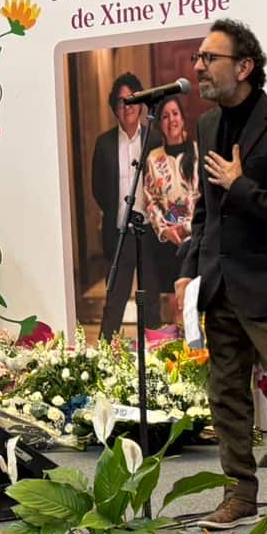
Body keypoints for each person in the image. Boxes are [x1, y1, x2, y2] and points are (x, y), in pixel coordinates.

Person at [173, 19, 267, 531]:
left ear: (244, 66)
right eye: (198, 57)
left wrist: (242, 188)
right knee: (226, 393)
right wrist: (188, 272)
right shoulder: (206, 126)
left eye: (209, 58)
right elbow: (204, 210)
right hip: (217, 282)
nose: (198, 67)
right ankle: (238, 493)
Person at [91, 72, 149, 344]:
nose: (127, 107)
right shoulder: (104, 143)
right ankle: (104, 358)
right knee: (114, 301)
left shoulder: (153, 139)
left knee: (151, 301)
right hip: (119, 233)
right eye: (121, 102)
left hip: (149, 233)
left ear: (141, 104)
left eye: (132, 100)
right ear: (114, 107)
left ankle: (155, 358)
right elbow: (98, 188)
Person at [143, 96, 200, 327]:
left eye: (175, 114)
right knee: (171, 305)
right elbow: (151, 200)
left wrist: (182, 225)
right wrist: (166, 229)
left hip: (195, 239)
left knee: (193, 302)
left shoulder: (197, 152)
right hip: (167, 244)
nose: (171, 120)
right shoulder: (153, 159)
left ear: (183, 119)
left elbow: (197, 196)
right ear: (160, 124)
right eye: (165, 116)